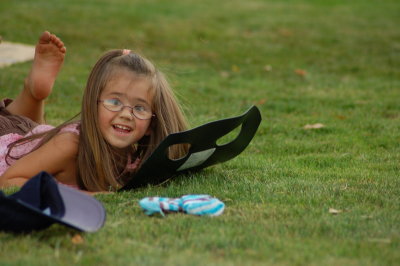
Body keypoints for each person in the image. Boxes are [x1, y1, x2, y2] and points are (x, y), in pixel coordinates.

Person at [0, 31, 188, 192]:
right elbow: (8, 182)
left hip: (26, 137)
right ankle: (33, 94)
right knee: (15, 126)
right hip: (5, 146)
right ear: (93, 105)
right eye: (114, 102)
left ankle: (34, 94)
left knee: (24, 127)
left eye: (139, 108)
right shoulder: (69, 145)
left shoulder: (131, 157)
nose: (126, 114)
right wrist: (85, 196)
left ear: (151, 124)